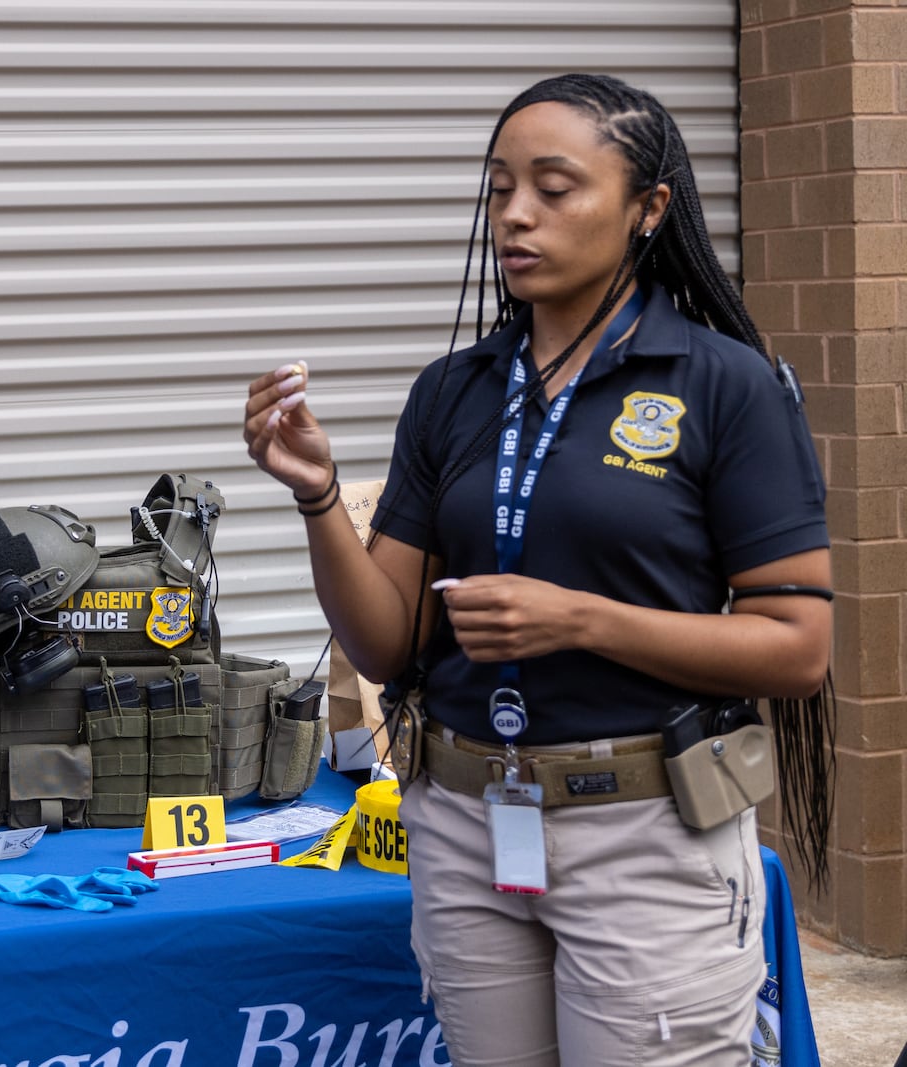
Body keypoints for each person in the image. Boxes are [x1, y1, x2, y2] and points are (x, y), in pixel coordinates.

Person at [244, 73, 834, 1066]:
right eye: (499, 187)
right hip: (467, 826)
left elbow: (796, 647)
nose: (515, 213)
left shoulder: (723, 385)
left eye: (553, 187)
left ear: (648, 208)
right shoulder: (453, 392)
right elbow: (389, 643)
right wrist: (315, 494)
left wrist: (581, 621)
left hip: (645, 834)